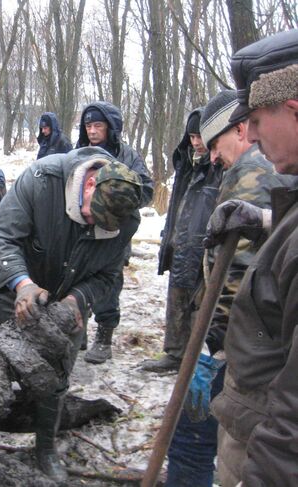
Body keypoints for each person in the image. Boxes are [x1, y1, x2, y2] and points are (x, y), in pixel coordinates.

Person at [0, 147, 143, 481]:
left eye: (102, 223)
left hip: (64, 303)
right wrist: (22, 284)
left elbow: (109, 275)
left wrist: (78, 299)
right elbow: (0, 236)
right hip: (1, 285)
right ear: (88, 184)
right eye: (92, 214)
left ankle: (44, 447)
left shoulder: (124, 218)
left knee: (57, 376)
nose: (93, 224)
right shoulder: (41, 180)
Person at [160, 89, 288, 486]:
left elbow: (240, 270)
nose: (212, 156)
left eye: (216, 144)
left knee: (193, 437)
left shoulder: (253, 173)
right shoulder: (264, 169)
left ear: (240, 129)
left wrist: (211, 345)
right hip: (253, 337)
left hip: (240, 341)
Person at [202, 29, 298, 487]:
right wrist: (265, 221)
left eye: (258, 119)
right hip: (255, 422)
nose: (253, 135)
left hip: (268, 447)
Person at [143, 108, 223, 374]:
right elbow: (177, 205)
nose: (196, 143)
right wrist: (169, 237)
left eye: (200, 136)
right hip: (181, 244)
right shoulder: (185, 165)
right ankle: (175, 354)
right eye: (191, 136)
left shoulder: (218, 167)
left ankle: (197, 359)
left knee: (201, 307)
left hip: (203, 247)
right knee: (176, 298)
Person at [75, 101, 154, 363]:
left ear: (111, 128)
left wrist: (119, 198)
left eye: (98, 125)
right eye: (88, 125)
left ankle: (104, 337)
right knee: (76, 280)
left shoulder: (127, 156)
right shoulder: (79, 154)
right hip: (81, 233)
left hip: (115, 234)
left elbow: (147, 189)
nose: (93, 131)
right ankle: (79, 332)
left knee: (108, 285)